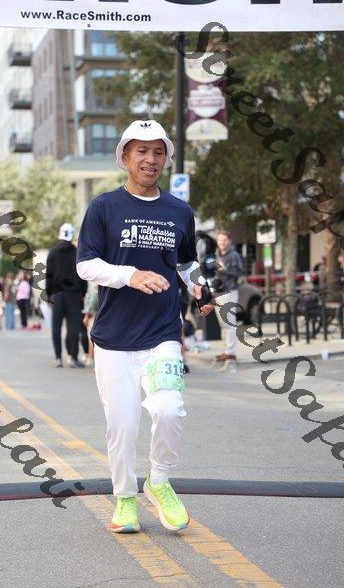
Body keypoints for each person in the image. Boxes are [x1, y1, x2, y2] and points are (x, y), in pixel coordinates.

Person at [77, 119, 213, 534]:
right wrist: (129, 275)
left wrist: (200, 286)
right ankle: (124, 498)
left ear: (166, 159)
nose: (150, 159)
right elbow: (86, 265)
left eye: (158, 152)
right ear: (125, 157)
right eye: (141, 151)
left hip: (162, 333)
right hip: (114, 338)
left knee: (169, 409)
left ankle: (159, 481)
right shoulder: (103, 207)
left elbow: (186, 263)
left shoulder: (179, 211)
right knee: (122, 426)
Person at [46, 223, 87, 368]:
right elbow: (82, 275)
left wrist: (48, 294)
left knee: (56, 327)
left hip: (57, 294)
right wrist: (83, 292)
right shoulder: (77, 253)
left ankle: (58, 357)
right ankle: (72, 356)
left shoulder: (52, 253)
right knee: (73, 328)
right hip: (74, 295)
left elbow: (48, 275)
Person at [213, 231, 243, 362]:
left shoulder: (234, 255)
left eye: (224, 240)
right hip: (218, 291)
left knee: (229, 322)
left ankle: (230, 352)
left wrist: (224, 269)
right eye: (220, 240)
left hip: (230, 291)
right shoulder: (217, 254)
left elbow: (239, 272)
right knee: (223, 323)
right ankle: (227, 350)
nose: (222, 243)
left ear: (229, 241)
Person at [82, 281, 99, 367]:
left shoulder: (92, 281)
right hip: (103, 313)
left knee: (91, 336)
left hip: (94, 313)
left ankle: (90, 357)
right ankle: (91, 357)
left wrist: (87, 315)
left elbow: (92, 298)